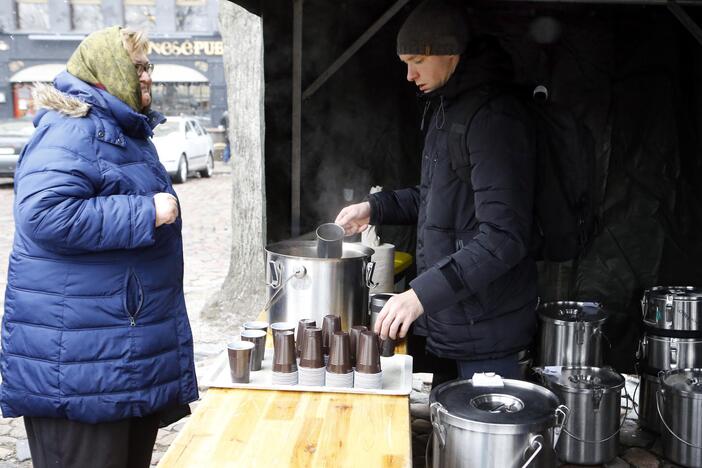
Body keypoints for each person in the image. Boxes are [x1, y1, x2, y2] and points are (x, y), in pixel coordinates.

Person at [0, 26, 198, 467]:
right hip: (79, 364)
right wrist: (144, 212)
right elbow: (43, 214)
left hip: (110, 354)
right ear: (106, 73)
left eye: (148, 67)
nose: (147, 77)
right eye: (137, 67)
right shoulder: (72, 129)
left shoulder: (117, 128)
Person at [335, 0, 537, 384]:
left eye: (417, 61)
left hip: (487, 329)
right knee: (444, 438)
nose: (410, 76)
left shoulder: (494, 118)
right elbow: (437, 200)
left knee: (480, 441)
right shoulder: (448, 107)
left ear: (451, 52)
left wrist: (420, 295)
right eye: (405, 63)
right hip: (451, 319)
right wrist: (374, 208)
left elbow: (504, 238)